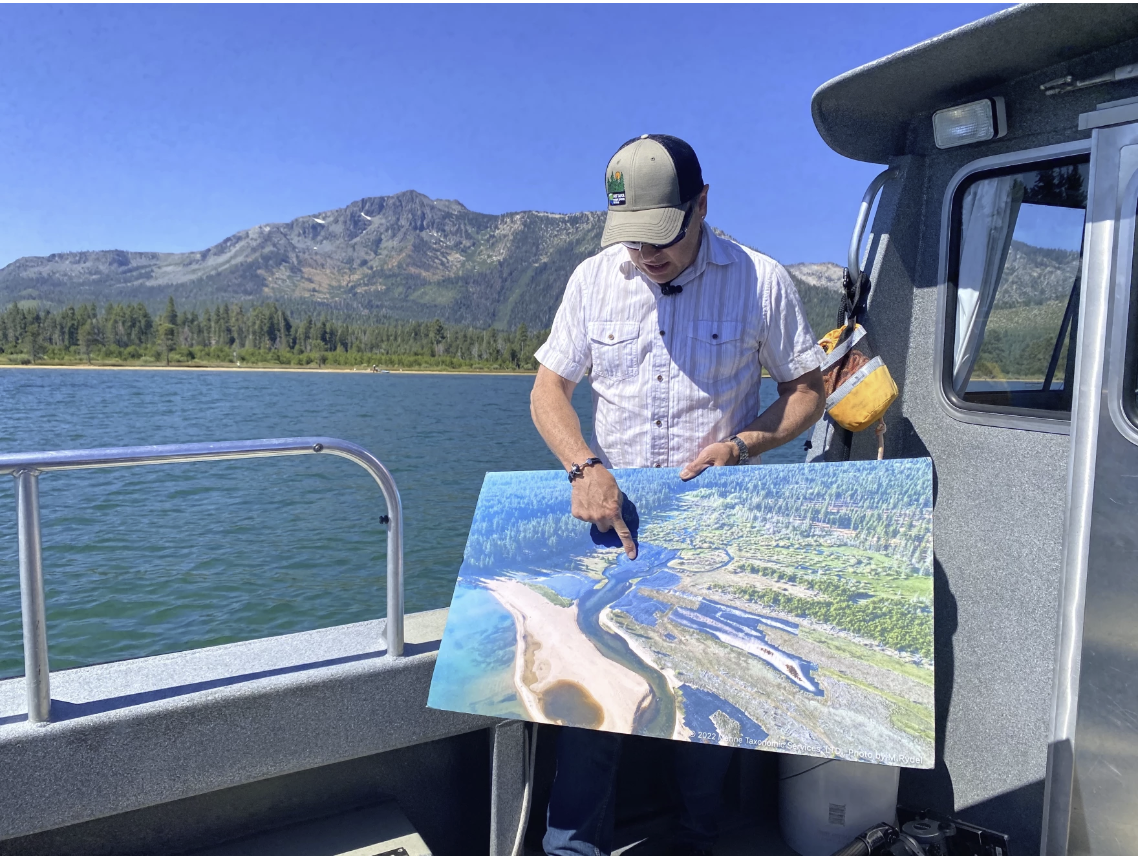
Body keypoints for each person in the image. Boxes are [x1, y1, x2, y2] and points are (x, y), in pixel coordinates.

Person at [529, 133, 827, 855]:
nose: (645, 254)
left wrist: (743, 445)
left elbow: (808, 392)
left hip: (708, 526)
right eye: (632, 240)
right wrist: (582, 466)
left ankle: (702, 838)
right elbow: (548, 391)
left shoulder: (761, 280)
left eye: (661, 236)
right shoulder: (592, 279)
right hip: (608, 522)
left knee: (705, 711)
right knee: (591, 712)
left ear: (701, 205)